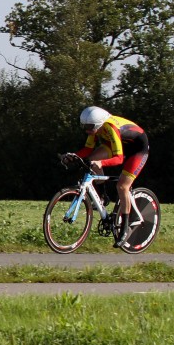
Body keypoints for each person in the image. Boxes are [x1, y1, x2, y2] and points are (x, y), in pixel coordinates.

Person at [62, 106, 149, 247]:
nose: (87, 130)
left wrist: (101, 163)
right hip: (119, 144)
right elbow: (88, 149)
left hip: (137, 149)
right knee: (91, 160)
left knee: (122, 186)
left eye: (90, 127)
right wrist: (74, 155)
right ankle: (102, 197)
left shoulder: (110, 128)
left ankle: (125, 228)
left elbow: (119, 158)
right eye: (84, 126)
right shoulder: (95, 126)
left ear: (99, 123)